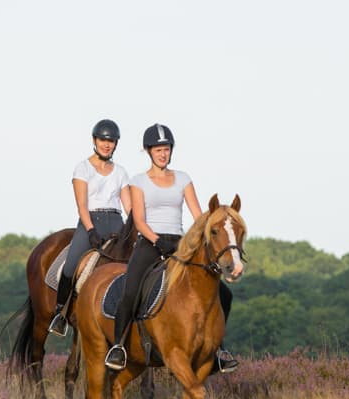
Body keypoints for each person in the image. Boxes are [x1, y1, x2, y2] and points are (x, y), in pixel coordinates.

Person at [104, 123, 238, 373]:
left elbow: (199, 215)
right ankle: (119, 347)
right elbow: (139, 221)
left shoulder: (183, 179)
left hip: (180, 243)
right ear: (148, 151)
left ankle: (218, 349)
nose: (163, 154)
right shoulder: (138, 181)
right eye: (158, 150)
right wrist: (157, 241)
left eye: (166, 149)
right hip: (150, 243)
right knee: (131, 291)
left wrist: (207, 231)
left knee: (224, 294)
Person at [47, 119, 132, 337]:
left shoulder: (121, 172)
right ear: (95, 140)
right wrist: (91, 230)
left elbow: (129, 207)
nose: (107, 144)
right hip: (91, 220)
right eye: (103, 140)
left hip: (117, 223)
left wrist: (136, 226)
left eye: (111, 141)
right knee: (70, 266)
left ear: (116, 144)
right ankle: (60, 314)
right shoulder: (82, 168)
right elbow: (82, 206)